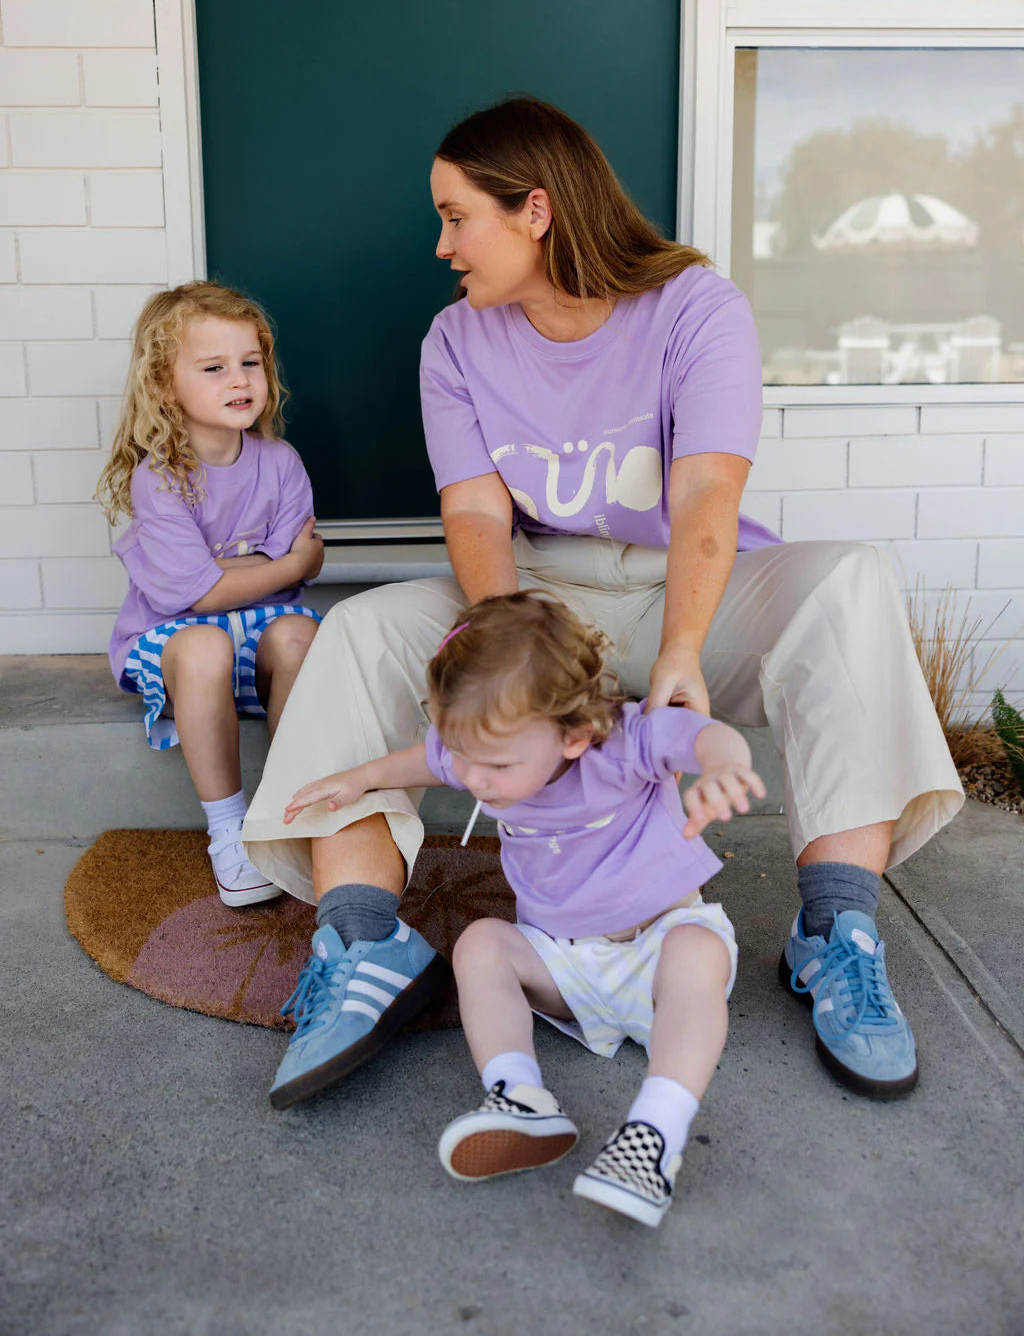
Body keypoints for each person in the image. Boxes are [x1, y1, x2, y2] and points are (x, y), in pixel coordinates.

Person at [243, 95, 963, 1104]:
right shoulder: (454, 340)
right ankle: (363, 940)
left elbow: (709, 491)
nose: (441, 244)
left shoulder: (694, 307)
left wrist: (681, 649)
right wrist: (516, 665)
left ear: (534, 211)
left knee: (850, 579)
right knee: (361, 628)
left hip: (688, 586)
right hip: (536, 595)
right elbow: (476, 516)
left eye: (457, 216)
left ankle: (832, 930)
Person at [284, 592, 764, 1227]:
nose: (474, 780)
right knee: (480, 942)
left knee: (699, 955)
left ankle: (653, 1136)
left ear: (573, 736)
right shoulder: (482, 749)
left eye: (496, 765)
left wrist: (726, 768)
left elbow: (704, 737)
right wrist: (363, 778)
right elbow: (427, 762)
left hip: (658, 952)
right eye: (464, 756)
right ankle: (518, 1094)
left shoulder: (623, 744)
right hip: (564, 967)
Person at [97, 281, 324, 907]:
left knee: (303, 633)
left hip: (255, 638)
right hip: (168, 643)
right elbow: (197, 599)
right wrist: (270, 566)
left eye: (250, 362)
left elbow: (294, 574)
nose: (240, 379)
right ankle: (228, 831)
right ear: (167, 386)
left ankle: (290, 814)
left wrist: (241, 573)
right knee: (202, 646)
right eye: (215, 367)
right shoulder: (161, 477)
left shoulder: (279, 462)